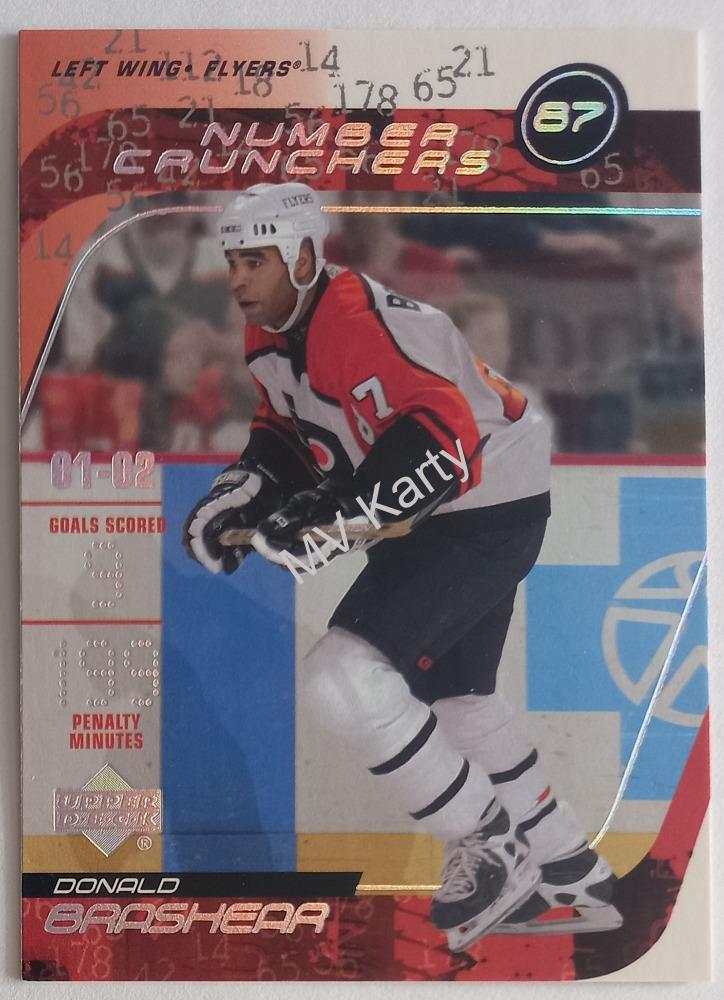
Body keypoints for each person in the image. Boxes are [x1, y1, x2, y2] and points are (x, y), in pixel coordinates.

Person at [182, 182, 620, 950]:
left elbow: (444, 441)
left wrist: (331, 523)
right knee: (461, 704)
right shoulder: (273, 331)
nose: (238, 279)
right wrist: (244, 492)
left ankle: (490, 844)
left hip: (479, 503)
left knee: (341, 678)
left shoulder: (351, 323)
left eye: (255, 260)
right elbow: (290, 429)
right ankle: (571, 868)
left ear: (304, 258)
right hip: (483, 498)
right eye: (233, 262)